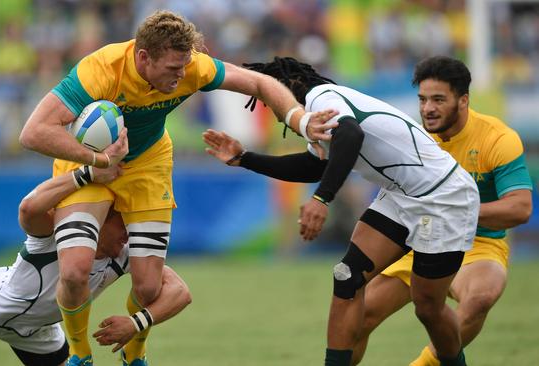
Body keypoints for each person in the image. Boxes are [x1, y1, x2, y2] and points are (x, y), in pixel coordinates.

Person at [18, 10, 329, 366]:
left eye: (184, 67)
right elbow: (34, 133)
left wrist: (299, 119)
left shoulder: (193, 66)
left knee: (149, 288)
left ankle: (134, 356)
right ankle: (79, 355)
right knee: (74, 271)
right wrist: (101, 161)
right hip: (92, 163)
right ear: (143, 56)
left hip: (149, 164)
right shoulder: (100, 70)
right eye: (172, 69)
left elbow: (260, 83)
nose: (181, 76)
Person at [202, 56, 480, 366]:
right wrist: (245, 158)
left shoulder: (322, 97)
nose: (276, 114)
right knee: (347, 276)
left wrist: (321, 200)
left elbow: (351, 134)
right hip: (401, 196)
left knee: (427, 306)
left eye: (270, 100)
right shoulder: (316, 118)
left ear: (286, 89)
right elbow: (314, 166)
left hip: (443, 196)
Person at [0, 162, 192, 366]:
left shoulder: (123, 252)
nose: (128, 233)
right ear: (100, 220)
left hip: (39, 332)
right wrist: (85, 174)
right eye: (122, 223)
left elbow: (180, 291)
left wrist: (137, 323)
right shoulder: (59, 235)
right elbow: (28, 207)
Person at [351, 56, 533, 366]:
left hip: (479, 245)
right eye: (422, 99)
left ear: (463, 100)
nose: (427, 109)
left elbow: (520, 208)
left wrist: (454, 211)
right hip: (418, 241)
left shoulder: (497, 139)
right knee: (358, 317)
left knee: (480, 298)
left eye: (438, 99)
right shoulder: (413, 138)